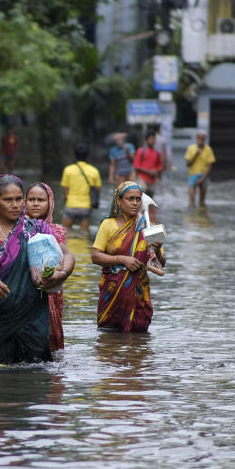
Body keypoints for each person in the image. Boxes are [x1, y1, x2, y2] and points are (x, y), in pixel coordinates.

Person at [0, 174, 75, 365]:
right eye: (8, 200)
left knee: (38, 371)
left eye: (19, 199)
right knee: (0, 371)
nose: (15, 205)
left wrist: (60, 274)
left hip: (34, 313)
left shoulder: (37, 227)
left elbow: (68, 255)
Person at [90, 181, 166, 332]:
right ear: (119, 200)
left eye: (138, 199)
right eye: (130, 199)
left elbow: (160, 265)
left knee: (139, 339)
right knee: (108, 337)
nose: (135, 203)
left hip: (139, 290)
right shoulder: (107, 224)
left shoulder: (149, 227)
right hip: (112, 290)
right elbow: (95, 257)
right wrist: (122, 259)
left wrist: (157, 251)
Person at [25, 182, 69, 351]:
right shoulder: (17, 228)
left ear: (50, 202)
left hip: (51, 287)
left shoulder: (58, 231)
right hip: (25, 289)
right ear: (25, 202)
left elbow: (63, 258)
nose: (36, 203)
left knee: (49, 340)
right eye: (31, 199)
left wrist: (58, 274)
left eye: (41, 200)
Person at [60, 143, 102, 233]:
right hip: (85, 207)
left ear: (75, 155)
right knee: (84, 235)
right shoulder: (94, 171)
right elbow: (98, 190)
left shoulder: (68, 170)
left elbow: (65, 191)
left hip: (71, 206)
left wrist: (68, 201)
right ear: (87, 156)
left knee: (64, 234)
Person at [185, 130, 216, 208]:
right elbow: (188, 164)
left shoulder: (208, 149)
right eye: (199, 138)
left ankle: (201, 215)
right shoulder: (191, 148)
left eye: (203, 138)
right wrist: (195, 155)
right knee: (191, 200)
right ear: (196, 138)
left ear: (205, 139)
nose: (201, 140)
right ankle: (192, 216)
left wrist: (202, 179)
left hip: (203, 175)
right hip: (193, 175)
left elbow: (210, 166)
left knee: (202, 201)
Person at [133, 130, 163, 198]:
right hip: (142, 178)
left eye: (154, 139)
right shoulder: (141, 151)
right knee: (142, 192)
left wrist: (156, 171)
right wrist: (148, 171)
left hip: (152, 180)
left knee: (150, 199)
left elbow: (160, 166)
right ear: (146, 140)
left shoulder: (158, 153)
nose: (152, 141)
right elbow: (136, 166)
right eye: (151, 139)